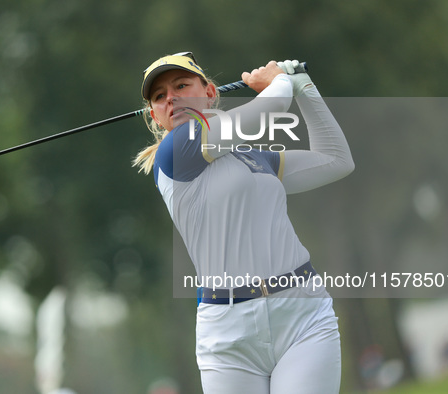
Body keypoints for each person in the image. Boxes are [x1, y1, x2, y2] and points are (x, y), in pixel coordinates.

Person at [133, 52, 354, 394]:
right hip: (227, 336)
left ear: (209, 92)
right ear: (155, 115)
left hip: (302, 315)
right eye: (160, 96)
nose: (171, 97)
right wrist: (279, 80)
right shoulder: (175, 151)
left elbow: (336, 161)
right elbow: (272, 108)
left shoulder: (253, 156)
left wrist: (303, 86)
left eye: (181, 85)